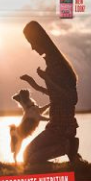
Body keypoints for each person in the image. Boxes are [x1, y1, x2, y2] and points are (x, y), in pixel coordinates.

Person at [20, 21, 81, 164]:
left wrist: (47, 78)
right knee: (27, 156)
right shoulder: (53, 63)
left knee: (30, 159)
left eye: (32, 42)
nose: (32, 47)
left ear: (39, 40)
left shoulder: (57, 66)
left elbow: (72, 98)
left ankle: (68, 147)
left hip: (62, 128)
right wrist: (35, 85)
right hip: (56, 126)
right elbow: (57, 96)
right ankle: (68, 147)